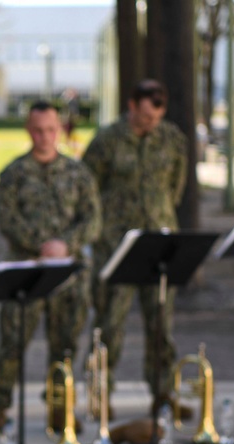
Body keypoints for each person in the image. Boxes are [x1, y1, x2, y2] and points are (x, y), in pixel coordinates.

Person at [0, 100, 101, 432]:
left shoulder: (77, 172)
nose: (45, 136)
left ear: (60, 130)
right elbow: (7, 220)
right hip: (26, 272)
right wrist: (42, 245)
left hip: (68, 275)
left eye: (51, 129)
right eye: (38, 130)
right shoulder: (14, 174)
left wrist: (65, 244)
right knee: (12, 343)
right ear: (28, 130)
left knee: (65, 344)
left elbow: (93, 218)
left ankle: (59, 408)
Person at [81, 79, 188, 417]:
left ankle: (163, 393)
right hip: (116, 246)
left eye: (155, 118)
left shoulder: (173, 140)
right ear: (131, 106)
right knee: (110, 324)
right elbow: (88, 189)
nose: (149, 124)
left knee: (161, 325)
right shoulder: (106, 141)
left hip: (159, 246)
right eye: (143, 118)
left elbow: (176, 187)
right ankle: (100, 396)